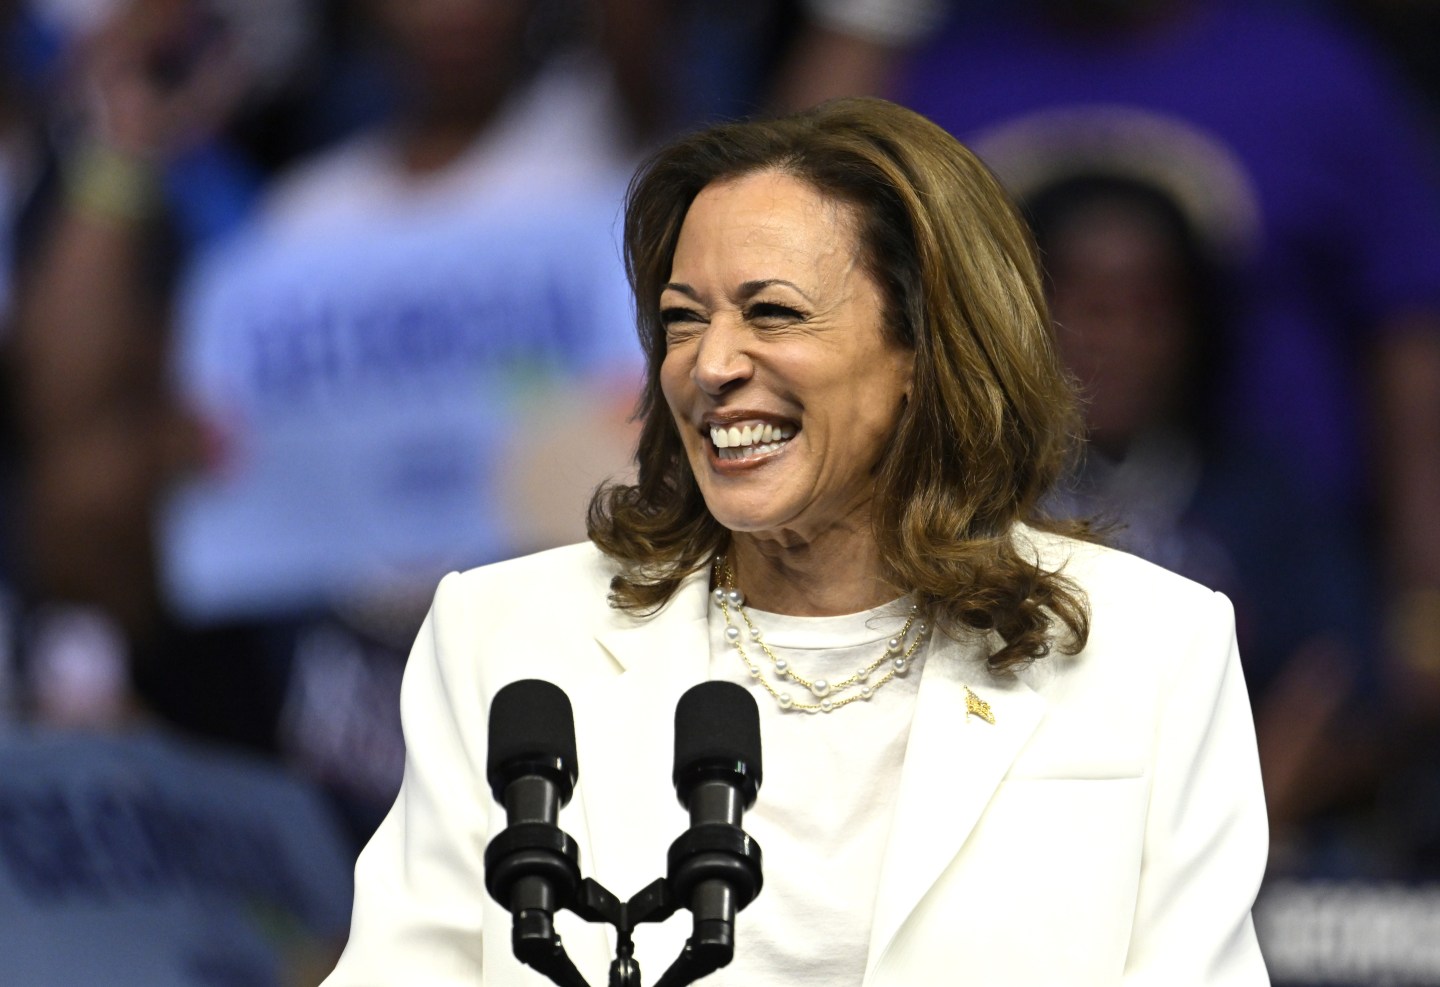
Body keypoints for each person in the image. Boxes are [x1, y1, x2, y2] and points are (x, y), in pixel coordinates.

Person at [322, 97, 1269, 985]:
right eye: (683, 320)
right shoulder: (507, 636)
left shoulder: (1152, 648)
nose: (713, 364)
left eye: (771, 312)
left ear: (924, 350)